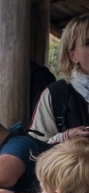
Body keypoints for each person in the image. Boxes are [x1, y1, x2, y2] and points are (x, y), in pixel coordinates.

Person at [29, 14, 89, 145]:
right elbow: (35, 148)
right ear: (73, 56)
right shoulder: (56, 95)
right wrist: (65, 138)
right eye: (88, 43)